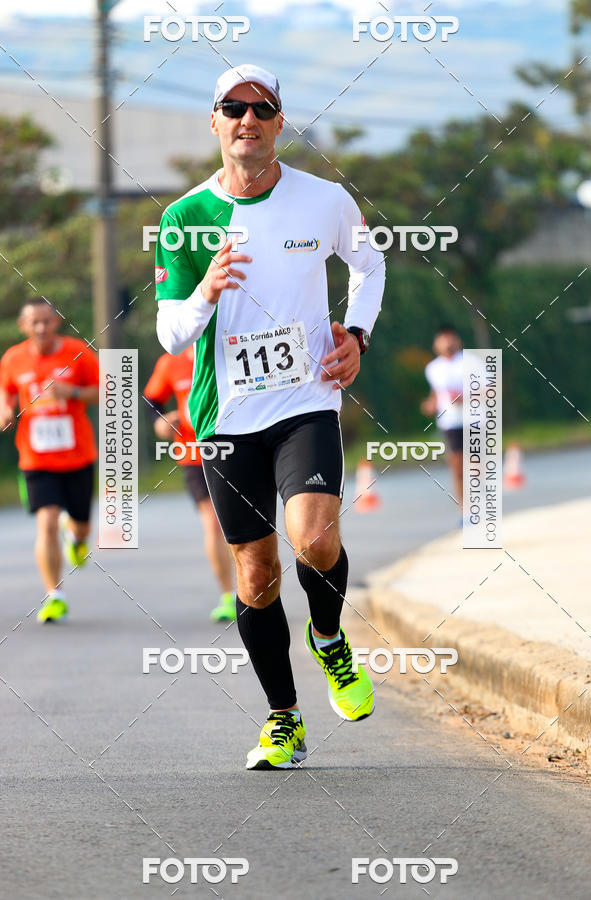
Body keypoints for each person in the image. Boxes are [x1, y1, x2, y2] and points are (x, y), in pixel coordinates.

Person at [154, 64, 385, 770]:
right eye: (233, 108)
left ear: (280, 123)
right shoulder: (185, 218)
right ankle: (283, 720)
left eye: (263, 109)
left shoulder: (324, 200)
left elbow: (369, 266)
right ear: (216, 123)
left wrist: (357, 335)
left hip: (307, 399)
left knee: (314, 536)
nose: (247, 120)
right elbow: (170, 334)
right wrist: (207, 292)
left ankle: (329, 640)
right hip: (226, 417)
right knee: (255, 578)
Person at [0, 296, 99, 622]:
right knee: (46, 521)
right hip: (36, 457)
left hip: (78, 455)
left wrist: (70, 393)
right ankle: (54, 595)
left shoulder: (78, 352)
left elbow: (109, 390)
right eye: (34, 322)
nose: (41, 327)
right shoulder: (13, 358)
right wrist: (5, 409)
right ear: (24, 326)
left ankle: (77, 537)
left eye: (47, 320)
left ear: (56, 322)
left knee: (81, 525)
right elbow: (6, 392)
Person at [144, 346, 236, 621]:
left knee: (239, 523)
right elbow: (151, 400)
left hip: (239, 448)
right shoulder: (170, 362)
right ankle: (229, 596)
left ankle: (253, 588)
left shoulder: (227, 347)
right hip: (193, 453)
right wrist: (161, 422)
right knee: (213, 523)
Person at [421, 325, 464, 511]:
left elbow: (491, 390)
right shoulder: (433, 368)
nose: (447, 343)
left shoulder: (470, 362)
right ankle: (465, 511)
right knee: (457, 467)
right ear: (436, 344)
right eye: (443, 339)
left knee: (476, 466)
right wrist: (431, 404)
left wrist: (466, 397)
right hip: (450, 422)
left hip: (475, 420)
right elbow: (437, 394)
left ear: (458, 341)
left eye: (451, 338)